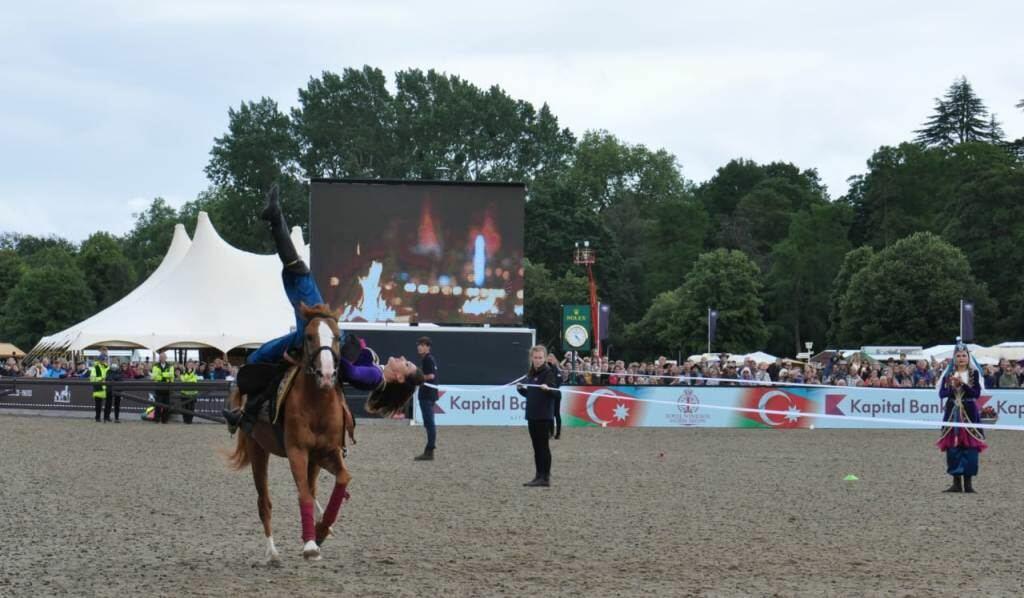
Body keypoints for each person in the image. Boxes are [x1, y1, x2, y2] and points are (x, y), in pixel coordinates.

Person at [222, 184, 423, 434]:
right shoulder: (377, 366)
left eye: (406, 365)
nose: (403, 359)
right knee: (258, 355)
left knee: (303, 279)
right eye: (407, 361)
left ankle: (276, 219)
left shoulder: (373, 376)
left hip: (322, 337)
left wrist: (330, 346)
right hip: (318, 339)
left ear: (400, 378)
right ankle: (244, 409)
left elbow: (348, 371)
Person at [936, 344, 987, 493]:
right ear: (954, 358)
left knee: (970, 448)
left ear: (968, 357)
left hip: (969, 414)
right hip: (953, 413)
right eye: (958, 356)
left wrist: (963, 385)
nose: (961, 358)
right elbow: (942, 394)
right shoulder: (948, 374)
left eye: (964, 355)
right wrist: (952, 387)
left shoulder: (973, 374)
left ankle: (969, 484)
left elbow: (976, 394)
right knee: (953, 447)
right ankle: (956, 483)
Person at [516, 345, 559, 487]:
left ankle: (545, 477)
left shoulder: (548, 373)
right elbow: (531, 394)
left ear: (545, 358)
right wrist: (521, 390)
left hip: (544, 416)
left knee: (543, 447)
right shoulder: (531, 374)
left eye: (540, 357)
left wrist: (548, 389)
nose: (538, 360)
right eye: (535, 357)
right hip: (532, 415)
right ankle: (538, 475)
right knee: (536, 447)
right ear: (531, 358)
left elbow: (557, 394)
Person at [414, 336, 439, 461]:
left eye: (423, 345)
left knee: (429, 424)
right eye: (419, 344)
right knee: (429, 423)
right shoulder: (427, 359)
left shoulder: (428, 359)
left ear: (428, 347)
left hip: (427, 395)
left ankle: (429, 451)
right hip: (428, 395)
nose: (419, 347)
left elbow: (431, 376)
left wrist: (418, 378)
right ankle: (429, 450)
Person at [151, 352, 174, 424]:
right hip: (158, 388)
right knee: (158, 404)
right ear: (159, 358)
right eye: (161, 357)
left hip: (167, 388)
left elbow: (171, 375)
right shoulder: (155, 366)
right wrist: (166, 375)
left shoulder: (170, 366)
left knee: (166, 404)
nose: (162, 358)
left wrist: (161, 375)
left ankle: (165, 420)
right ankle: (157, 419)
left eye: (163, 357)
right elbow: (154, 376)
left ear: (166, 358)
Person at [546, 353, 563, 440]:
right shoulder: (546, 369)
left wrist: (553, 387)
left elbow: (559, 381)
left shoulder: (556, 369)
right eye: (549, 359)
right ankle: (551, 433)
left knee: (556, 414)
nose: (550, 360)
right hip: (549, 393)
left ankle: (558, 433)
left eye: (551, 359)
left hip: (555, 393)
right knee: (551, 414)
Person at [90, 351, 110, 423]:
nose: (104, 361)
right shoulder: (95, 368)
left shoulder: (107, 367)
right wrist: (100, 379)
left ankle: (106, 417)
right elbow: (92, 379)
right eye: (103, 359)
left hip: (107, 387)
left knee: (108, 404)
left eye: (105, 359)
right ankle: (97, 417)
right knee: (98, 404)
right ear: (99, 360)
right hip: (99, 387)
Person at [180, 360, 200, 424]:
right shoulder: (183, 372)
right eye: (189, 364)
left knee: (191, 407)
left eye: (191, 365)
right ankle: (185, 420)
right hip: (184, 393)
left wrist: (188, 377)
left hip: (193, 393)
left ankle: (190, 420)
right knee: (184, 407)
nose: (190, 366)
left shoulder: (195, 372)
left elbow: (194, 380)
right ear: (186, 365)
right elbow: (183, 380)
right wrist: (190, 374)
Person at [105, 357, 124, 423]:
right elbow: (108, 378)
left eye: (115, 362)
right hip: (109, 389)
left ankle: (116, 418)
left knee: (117, 405)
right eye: (113, 362)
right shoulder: (108, 371)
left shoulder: (119, 371)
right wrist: (115, 378)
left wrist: (114, 378)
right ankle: (107, 417)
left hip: (118, 390)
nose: (114, 364)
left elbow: (120, 379)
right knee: (108, 404)